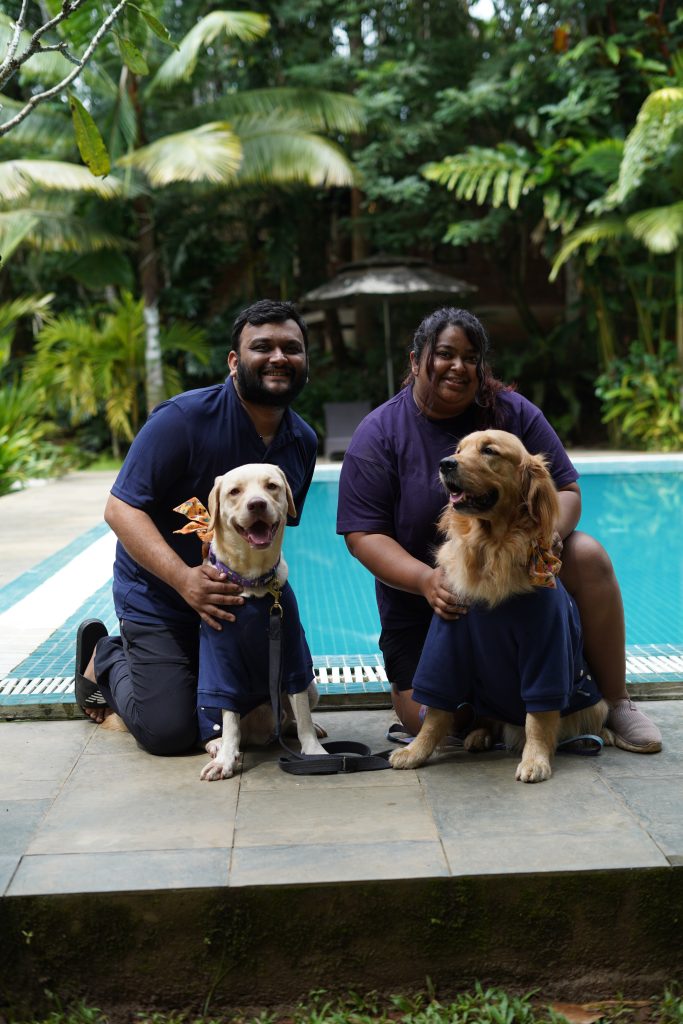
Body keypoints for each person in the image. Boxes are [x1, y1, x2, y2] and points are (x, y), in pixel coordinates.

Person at [336, 306, 662, 753]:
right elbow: (363, 535)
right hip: (426, 601)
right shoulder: (379, 433)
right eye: (445, 354)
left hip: (522, 576)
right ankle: (492, 711)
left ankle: (615, 700)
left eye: (471, 358)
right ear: (415, 361)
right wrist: (426, 580)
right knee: (437, 719)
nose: (458, 366)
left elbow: (565, 490)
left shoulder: (512, 412)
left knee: (587, 554)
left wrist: (547, 537)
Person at [74, 299, 318, 756]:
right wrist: (185, 581)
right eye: (262, 347)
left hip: (238, 603)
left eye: (292, 348)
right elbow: (119, 510)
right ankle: (105, 657)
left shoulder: (301, 441)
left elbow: (271, 533)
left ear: (305, 361)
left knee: (263, 717)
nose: (279, 357)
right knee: (170, 732)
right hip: (163, 598)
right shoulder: (182, 420)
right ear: (234, 362)